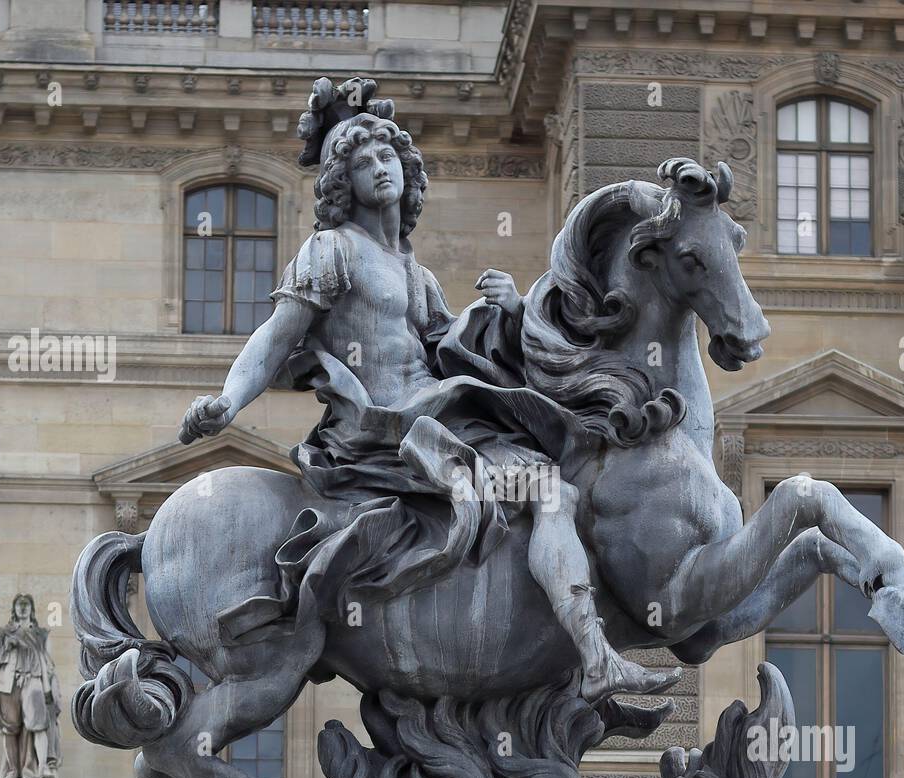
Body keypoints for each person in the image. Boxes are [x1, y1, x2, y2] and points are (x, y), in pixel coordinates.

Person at [178, 77, 676, 702]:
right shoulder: (331, 250)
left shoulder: (416, 273)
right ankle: (595, 657)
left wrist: (510, 309)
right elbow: (277, 337)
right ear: (342, 184)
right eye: (362, 163)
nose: (379, 169)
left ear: (407, 171)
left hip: (439, 414)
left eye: (387, 157)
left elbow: (455, 350)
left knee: (560, 462)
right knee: (550, 491)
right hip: (387, 430)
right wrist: (227, 401)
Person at [0, 593, 62, 778]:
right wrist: (5, 648)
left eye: (26, 604)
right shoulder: (3, 633)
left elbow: (48, 664)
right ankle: (12, 770)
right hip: (9, 684)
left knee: (36, 725)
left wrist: (48, 688)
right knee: (9, 728)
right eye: (19, 604)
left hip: (33, 680)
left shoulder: (40, 634)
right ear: (14, 609)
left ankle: (37, 768)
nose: (23, 607)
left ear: (32, 608)